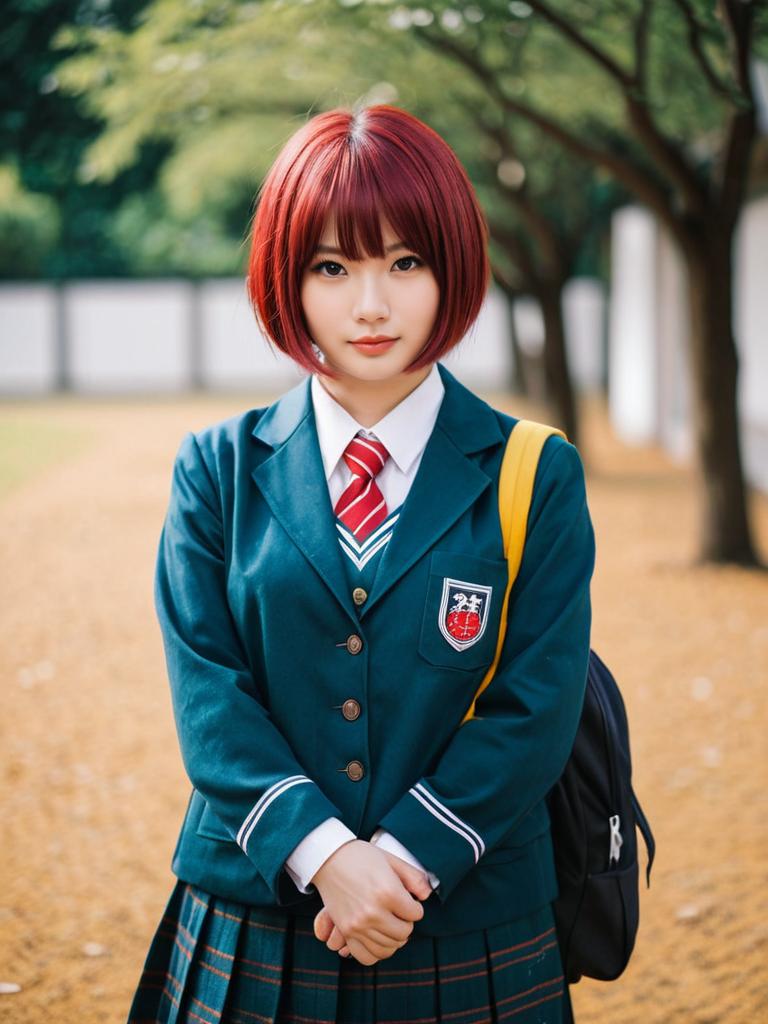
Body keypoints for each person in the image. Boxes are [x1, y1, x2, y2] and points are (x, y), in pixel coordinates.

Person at [126, 103, 595, 1024]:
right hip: (259, 912)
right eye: (332, 267)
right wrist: (324, 854)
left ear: (451, 267)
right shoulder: (217, 470)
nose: (371, 305)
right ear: (286, 280)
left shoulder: (533, 472)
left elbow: (538, 700)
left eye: (405, 262)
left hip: (467, 920)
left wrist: (405, 862)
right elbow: (208, 693)